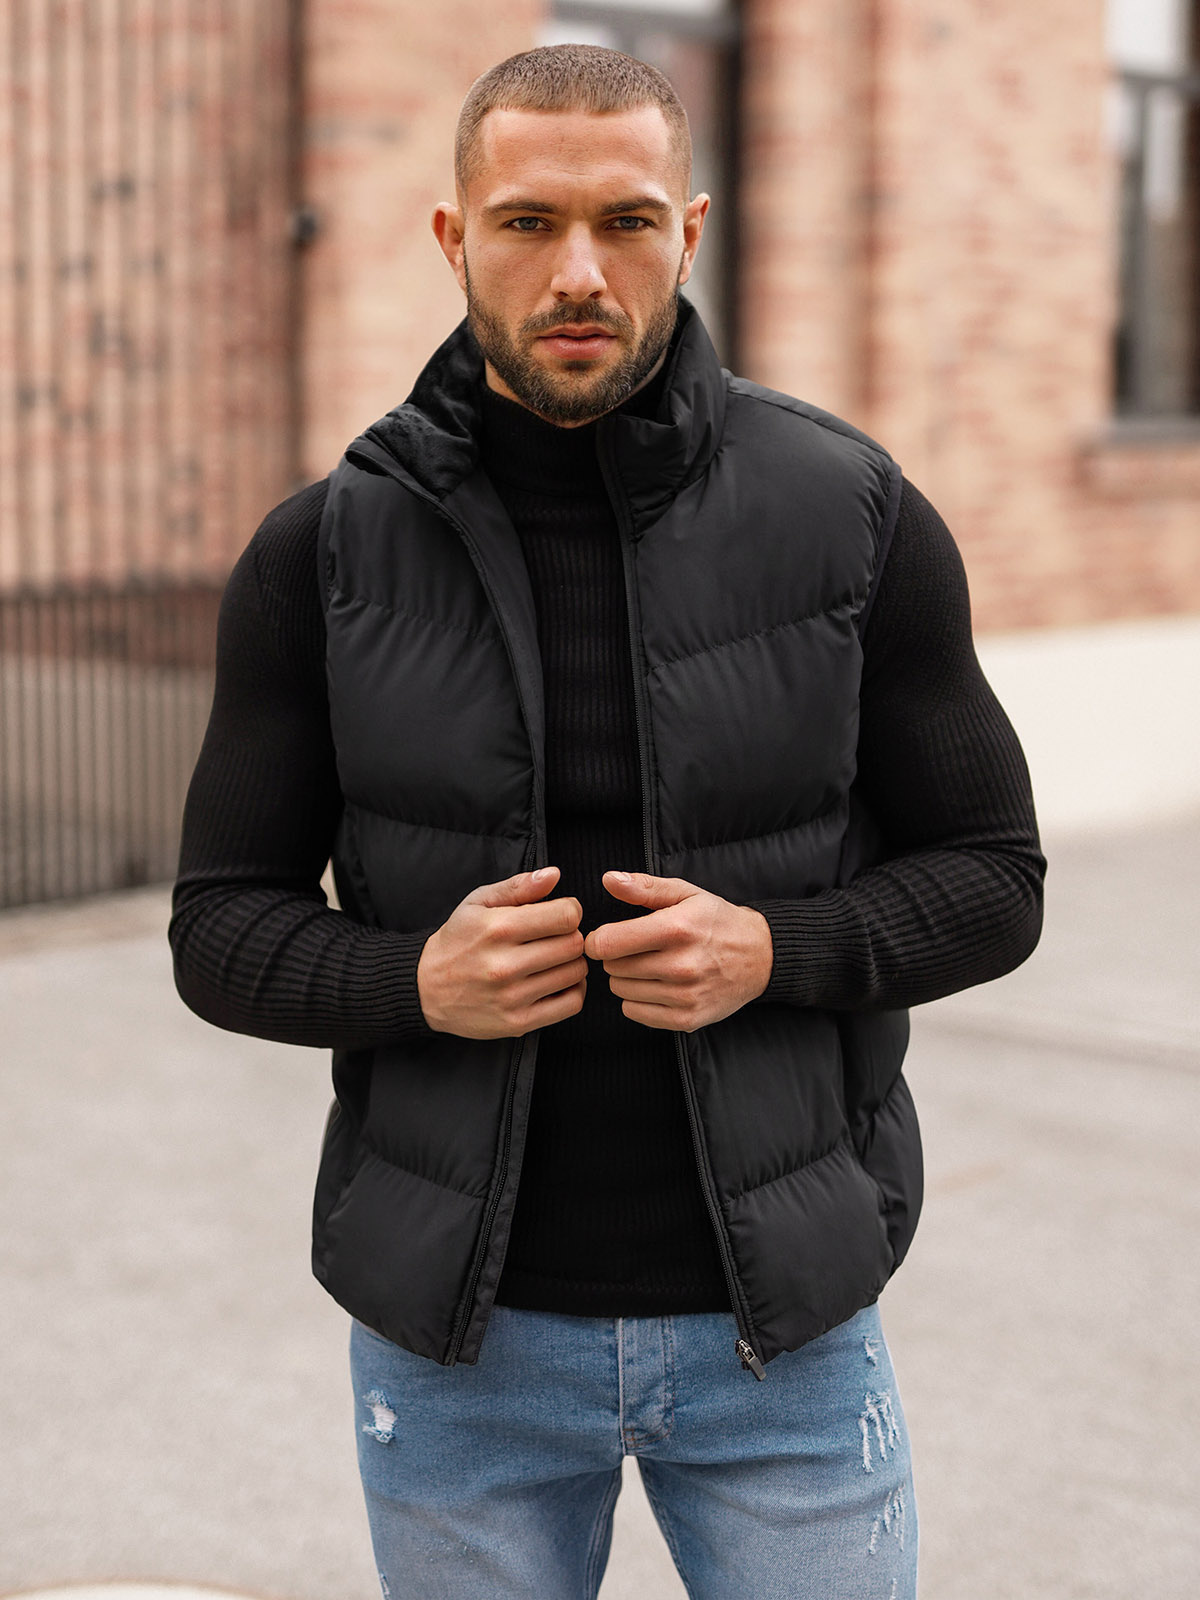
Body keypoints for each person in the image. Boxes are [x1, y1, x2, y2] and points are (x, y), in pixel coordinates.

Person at [170, 42, 1044, 1600]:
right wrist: (408, 981)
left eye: (626, 221)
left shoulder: (851, 513)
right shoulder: (322, 554)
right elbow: (219, 925)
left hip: (784, 1334)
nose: (579, 271)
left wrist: (775, 950)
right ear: (454, 237)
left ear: (688, 233)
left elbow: (995, 878)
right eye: (528, 222)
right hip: (459, 1344)